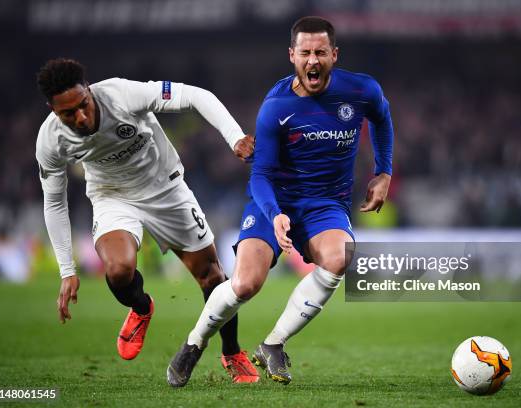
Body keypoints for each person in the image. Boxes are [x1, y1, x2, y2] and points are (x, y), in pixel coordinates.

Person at [166, 16, 393, 386]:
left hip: (325, 205)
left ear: (334, 54)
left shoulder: (362, 90)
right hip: (273, 201)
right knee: (244, 284)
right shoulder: (276, 107)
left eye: (321, 52)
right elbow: (261, 175)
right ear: (292, 55)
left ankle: (273, 344)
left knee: (340, 257)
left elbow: (382, 119)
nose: (313, 61)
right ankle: (194, 343)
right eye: (305, 53)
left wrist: (383, 172)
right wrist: (274, 215)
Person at [35, 58, 259, 383]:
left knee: (212, 277)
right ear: (52, 109)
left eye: (83, 105)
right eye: (68, 114)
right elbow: (54, 202)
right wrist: (67, 270)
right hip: (112, 196)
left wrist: (234, 137)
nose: (80, 117)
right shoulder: (50, 140)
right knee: (118, 270)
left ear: (89, 90)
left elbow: (195, 96)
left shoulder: (122, 95)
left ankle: (231, 351)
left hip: (164, 186)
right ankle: (141, 308)